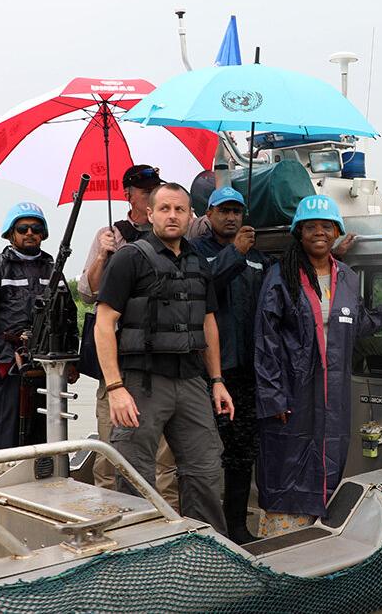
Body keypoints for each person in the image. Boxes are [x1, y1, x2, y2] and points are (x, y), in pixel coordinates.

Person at [253, 195, 382, 537]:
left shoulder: (346, 277)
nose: (319, 232)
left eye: (326, 226)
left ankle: (317, 532)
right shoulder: (280, 276)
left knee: (329, 451)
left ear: (336, 232)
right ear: (299, 233)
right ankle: (281, 537)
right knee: (288, 457)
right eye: (311, 227)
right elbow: (265, 338)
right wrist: (273, 396)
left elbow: (358, 322)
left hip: (334, 387)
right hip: (294, 388)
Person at [93, 183, 235, 534]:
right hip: (142, 383)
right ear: (151, 213)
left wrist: (217, 381)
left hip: (190, 381)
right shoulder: (129, 258)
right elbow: (104, 323)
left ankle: (208, 547)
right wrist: (115, 388)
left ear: (190, 215)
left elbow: (208, 322)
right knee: (135, 474)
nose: (172, 216)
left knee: (205, 469)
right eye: (165, 209)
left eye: (180, 209)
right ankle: (138, 548)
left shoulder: (198, 261)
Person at [76, 164, 180, 494]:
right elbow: (87, 292)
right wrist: (103, 255)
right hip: (118, 354)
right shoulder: (110, 234)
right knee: (110, 444)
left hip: (160, 353)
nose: (152, 195)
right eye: (145, 191)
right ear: (128, 195)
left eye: (156, 190)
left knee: (165, 452)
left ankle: (166, 513)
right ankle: (109, 510)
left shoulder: (172, 234)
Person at [0, 202, 74, 451]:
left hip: (49, 371)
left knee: (47, 439)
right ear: (11, 233)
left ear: (43, 234)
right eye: (23, 228)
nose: (30, 233)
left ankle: (43, 476)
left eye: (36, 228)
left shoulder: (54, 271)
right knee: (1, 438)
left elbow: (69, 318)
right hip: (6, 371)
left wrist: (72, 362)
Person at [188, 186, 266, 544]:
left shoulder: (258, 257)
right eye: (224, 211)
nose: (231, 217)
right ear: (209, 215)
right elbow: (203, 287)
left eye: (237, 211)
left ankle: (236, 526)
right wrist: (235, 253)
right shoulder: (194, 252)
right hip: (208, 372)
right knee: (204, 454)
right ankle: (202, 528)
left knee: (241, 454)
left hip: (247, 372)